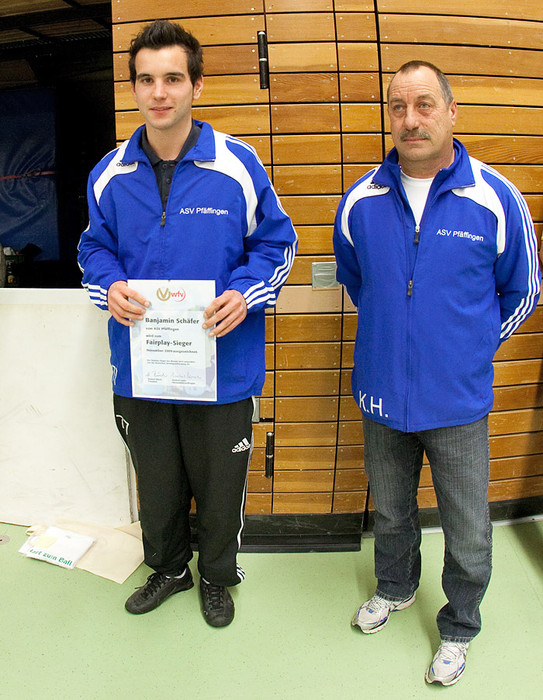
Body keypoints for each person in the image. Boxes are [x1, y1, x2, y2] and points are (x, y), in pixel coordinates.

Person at [78, 20, 297, 627]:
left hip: (221, 368)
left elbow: (278, 245)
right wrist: (108, 286)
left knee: (221, 485)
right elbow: (93, 249)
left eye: (173, 78)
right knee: (157, 484)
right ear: (133, 87)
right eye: (146, 79)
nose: (159, 92)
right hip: (142, 366)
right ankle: (170, 568)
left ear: (196, 85)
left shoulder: (237, 165)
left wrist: (245, 295)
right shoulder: (109, 174)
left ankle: (218, 577)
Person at [333, 60, 540, 685]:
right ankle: (395, 587)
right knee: (393, 511)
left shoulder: (493, 197)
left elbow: (524, 291)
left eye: (424, 104)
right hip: (381, 397)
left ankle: (460, 624)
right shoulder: (361, 201)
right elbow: (359, 282)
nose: (410, 119)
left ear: (451, 112)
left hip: (457, 401)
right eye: (398, 107)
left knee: (467, 526)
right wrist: (392, 342)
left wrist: (466, 352)